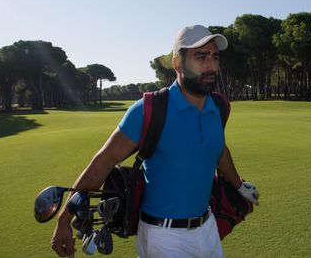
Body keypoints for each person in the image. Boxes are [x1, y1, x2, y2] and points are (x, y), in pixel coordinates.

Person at [51, 25, 259, 258]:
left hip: (208, 229)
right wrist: (64, 219)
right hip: (163, 237)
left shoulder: (218, 107)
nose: (211, 65)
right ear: (178, 64)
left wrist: (239, 186)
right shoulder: (149, 109)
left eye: (215, 56)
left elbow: (218, 148)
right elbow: (104, 161)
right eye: (201, 57)